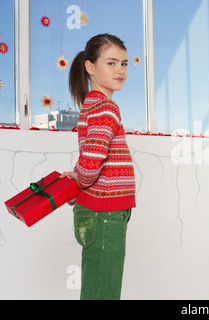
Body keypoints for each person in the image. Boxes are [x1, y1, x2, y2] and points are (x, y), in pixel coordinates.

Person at [60, 34, 136, 300]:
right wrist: (81, 180)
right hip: (105, 214)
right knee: (104, 292)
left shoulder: (91, 105)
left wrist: (78, 180)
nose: (120, 70)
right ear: (90, 68)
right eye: (112, 63)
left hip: (98, 213)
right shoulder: (105, 107)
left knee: (97, 288)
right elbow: (93, 162)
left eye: (124, 64)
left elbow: (90, 158)